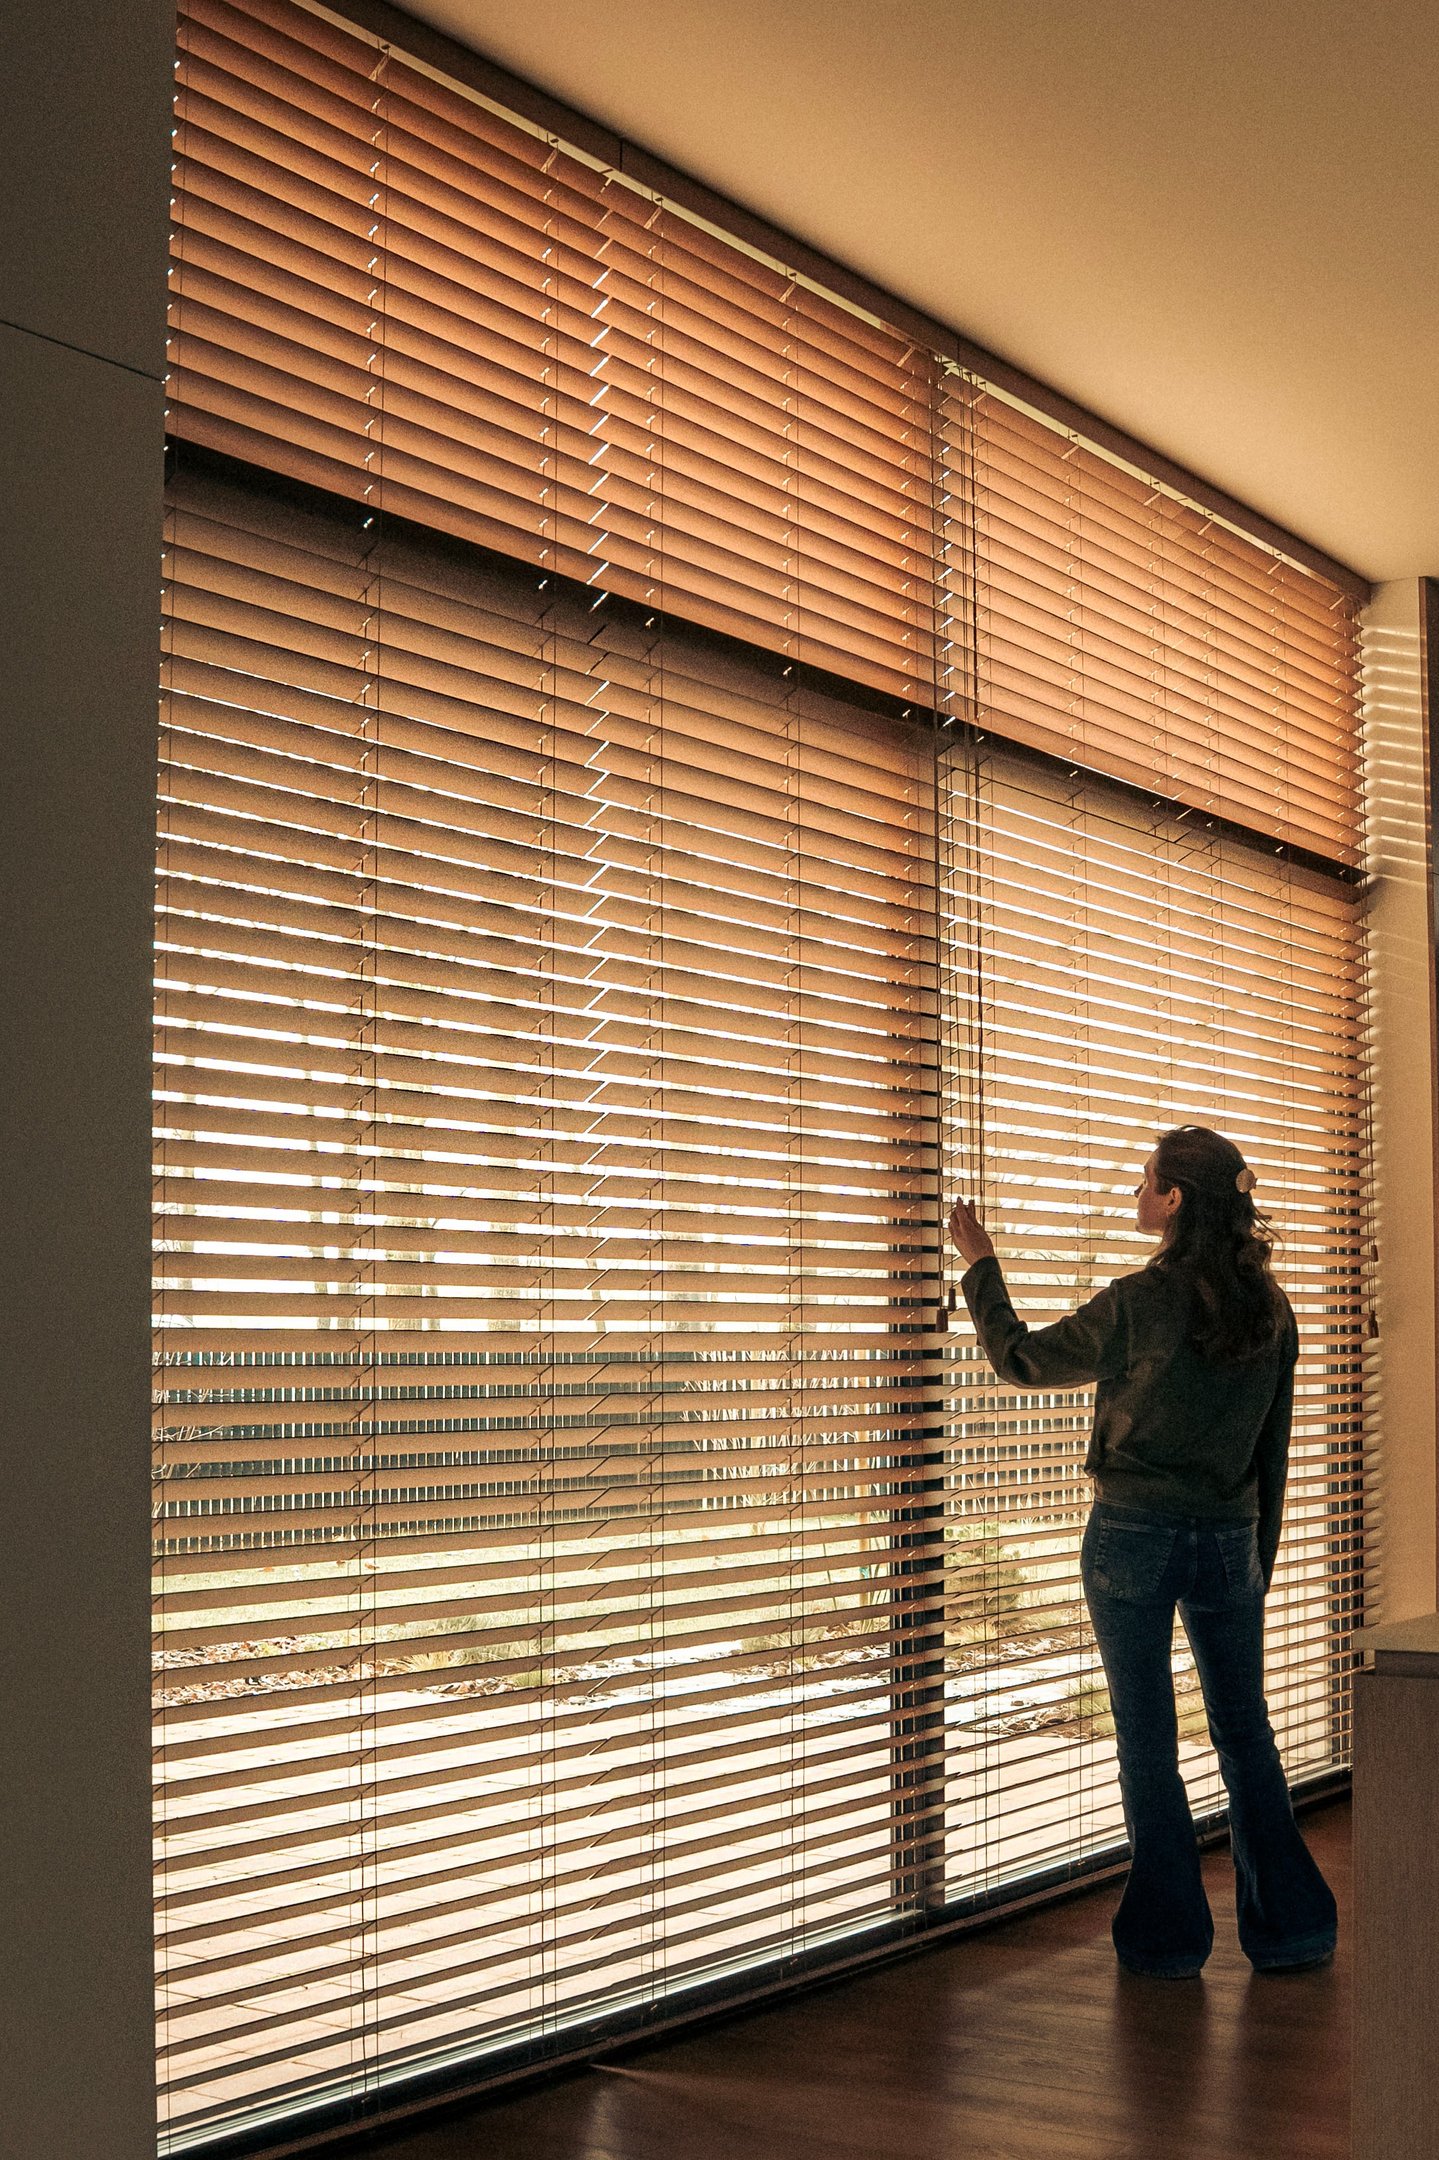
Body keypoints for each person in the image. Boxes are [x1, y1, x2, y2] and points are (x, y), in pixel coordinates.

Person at [948, 1124, 1338, 1979]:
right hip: (1230, 1540)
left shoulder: (1137, 1301)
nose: (1134, 1194)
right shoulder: (1271, 1309)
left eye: (1143, 1181)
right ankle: (1293, 1931)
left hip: (1131, 1537)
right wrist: (1255, 1563)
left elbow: (1021, 1360)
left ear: (1174, 1200)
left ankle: (1166, 1943)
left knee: (1147, 1736)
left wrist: (980, 1266)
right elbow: (1271, 1453)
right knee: (1244, 1730)